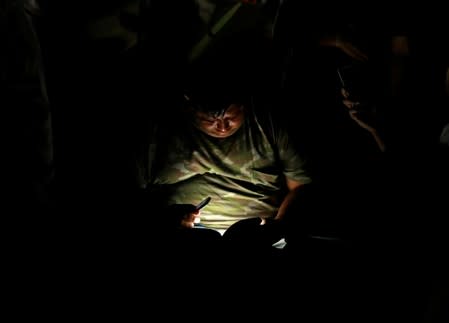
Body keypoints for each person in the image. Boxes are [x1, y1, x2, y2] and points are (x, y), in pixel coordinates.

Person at [135, 66, 312, 266]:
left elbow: (301, 186)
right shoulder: (160, 134)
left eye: (229, 117)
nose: (222, 127)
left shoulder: (268, 123)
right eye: (210, 120)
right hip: (185, 242)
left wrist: (279, 226)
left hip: (259, 241)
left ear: (243, 104)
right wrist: (165, 221)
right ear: (190, 108)